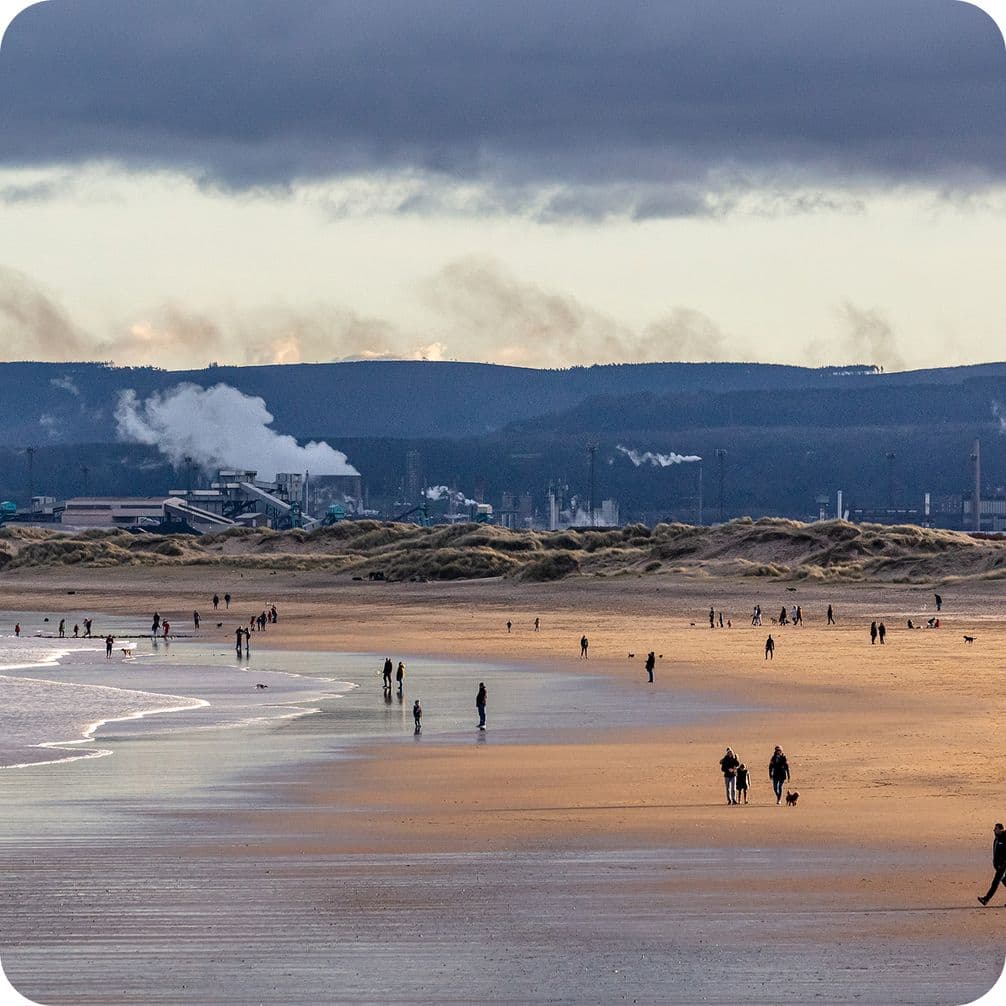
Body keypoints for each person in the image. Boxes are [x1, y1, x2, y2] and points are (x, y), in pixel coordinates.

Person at [978, 823, 1006, 905]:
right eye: (994, 828)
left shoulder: (1004, 838)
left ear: (1001, 829)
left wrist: (1003, 863)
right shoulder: (998, 838)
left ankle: (986, 899)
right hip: (998, 866)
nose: (994, 830)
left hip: (1003, 866)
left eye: (996, 829)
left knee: (995, 882)